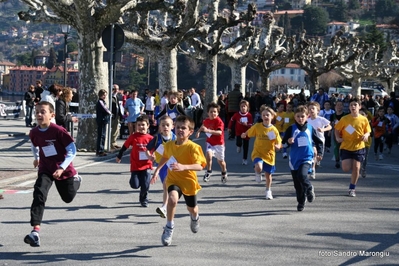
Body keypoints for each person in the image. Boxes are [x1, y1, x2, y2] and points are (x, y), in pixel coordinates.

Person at [24, 101, 81, 247]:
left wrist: (62, 167)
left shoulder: (59, 131)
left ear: (52, 115)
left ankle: (76, 179)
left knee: (68, 198)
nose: (39, 115)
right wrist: (36, 158)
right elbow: (33, 144)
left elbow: (72, 150)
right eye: (37, 112)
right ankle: (35, 231)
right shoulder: (34, 132)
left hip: (63, 170)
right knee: (39, 193)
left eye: (43, 112)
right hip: (46, 168)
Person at [150, 115, 206, 246]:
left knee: (192, 209)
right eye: (178, 127)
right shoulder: (169, 145)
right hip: (173, 180)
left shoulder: (194, 147)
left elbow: (200, 165)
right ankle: (169, 227)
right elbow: (165, 156)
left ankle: (195, 217)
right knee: (172, 199)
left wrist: (183, 167)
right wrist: (157, 170)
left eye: (183, 128)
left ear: (190, 132)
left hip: (188, 181)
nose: (180, 130)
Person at [281, 105, 323, 211]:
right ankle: (301, 201)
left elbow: (319, 141)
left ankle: (309, 188)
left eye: (302, 116)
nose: (300, 119)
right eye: (298, 116)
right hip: (294, 159)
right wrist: (288, 142)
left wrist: (320, 153)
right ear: (295, 117)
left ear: (307, 116)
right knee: (297, 184)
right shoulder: (291, 129)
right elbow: (283, 144)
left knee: (302, 175)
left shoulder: (310, 128)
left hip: (307, 157)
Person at [241, 105, 282, 200]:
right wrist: (245, 134)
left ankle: (268, 190)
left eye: (267, 115)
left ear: (272, 116)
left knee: (268, 175)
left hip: (269, 154)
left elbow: (279, 142)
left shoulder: (274, 130)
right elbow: (250, 131)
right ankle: (258, 172)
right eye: (263, 115)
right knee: (259, 167)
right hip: (258, 152)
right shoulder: (258, 126)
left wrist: (278, 146)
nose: (265, 117)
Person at [334, 98, 371, 197]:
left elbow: (368, 131)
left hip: (359, 146)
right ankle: (351, 167)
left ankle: (352, 188)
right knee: (346, 168)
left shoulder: (363, 119)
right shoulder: (344, 119)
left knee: (356, 168)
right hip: (346, 146)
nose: (353, 106)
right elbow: (337, 129)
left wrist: (366, 135)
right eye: (351, 105)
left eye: (355, 105)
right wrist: (338, 137)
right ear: (349, 107)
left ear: (359, 106)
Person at [116, 115, 154, 207]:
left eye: (143, 125)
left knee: (145, 185)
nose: (141, 127)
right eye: (139, 125)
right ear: (136, 126)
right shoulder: (133, 137)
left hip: (147, 165)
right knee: (135, 185)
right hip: (135, 165)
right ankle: (135, 181)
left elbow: (157, 150)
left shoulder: (151, 138)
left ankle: (144, 198)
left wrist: (155, 156)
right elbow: (125, 147)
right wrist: (119, 156)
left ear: (148, 126)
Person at [146, 116, 176, 218]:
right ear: (160, 127)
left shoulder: (175, 138)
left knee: (167, 186)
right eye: (163, 125)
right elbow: (147, 149)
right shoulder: (157, 138)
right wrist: (149, 156)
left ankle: (164, 207)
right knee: (166, 187)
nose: (165, 127)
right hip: (161, 166)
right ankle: (166, 206)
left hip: (173, 165)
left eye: (168, 125)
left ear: (172, 126)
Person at [196, 102, 227, 183]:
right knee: (208, 155)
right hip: (210, 142)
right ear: (208, 113)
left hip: (219, 144)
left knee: (221, 162)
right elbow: (203, 126)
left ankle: (224, 172)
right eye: (211, 112)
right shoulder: (206, 120)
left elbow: (219, 133)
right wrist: (198, 132)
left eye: (215, 112)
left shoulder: (219, 122)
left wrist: (209, 130)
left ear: (217, 113)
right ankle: (208, 171)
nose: (213, 113)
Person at [307, 101, 331, 178]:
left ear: (318, 110)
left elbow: (330, 127)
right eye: (309, 109)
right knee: (314, 153)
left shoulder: (321, 119)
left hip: (320, 140)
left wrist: (322, 130)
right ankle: (312, 169)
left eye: (313, 108)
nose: (311, 110)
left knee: (318, 158)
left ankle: (315, 165)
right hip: (311, 141)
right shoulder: (307, 120)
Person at [228, 100, 253, 165]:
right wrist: (229, 128)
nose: (243, 108)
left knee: (246, 146)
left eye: (244, 106)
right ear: (239, 107)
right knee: (239, 142)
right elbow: (231, 120)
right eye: (241, 106)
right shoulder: (237, 114)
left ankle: (244, 159)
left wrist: (246, 124)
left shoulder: (249, 115)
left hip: (247, 133)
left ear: (247, 107)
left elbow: (251, 125)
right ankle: (238, 146)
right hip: (239, 132)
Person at [330, 101, 347, 168]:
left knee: (344, 147)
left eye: (340, 105)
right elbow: (331, 124)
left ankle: (344, 159)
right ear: (335, 107)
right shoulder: (332, 116)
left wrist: (352, 132)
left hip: (345, 133)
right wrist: (329, 131)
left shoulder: (346, 115)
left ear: (343, 106)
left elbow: (349, 125)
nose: (339, 107)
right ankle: (337, 160)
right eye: (338, 105)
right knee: (336, 147)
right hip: (336, 133)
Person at [96, 89, 112, 156]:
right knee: (101, 135)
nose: (105, 96)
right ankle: (100, 150)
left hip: (103, 120)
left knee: (103, 135)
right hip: (102, 120)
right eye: (104, 95)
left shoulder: (102, 101)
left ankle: (101, 150)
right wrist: (110, 113)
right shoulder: (100, 102)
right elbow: (106, 110)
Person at [359, 108, 372, 178]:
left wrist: (366, 134)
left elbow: (371, 133)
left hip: (366, 143)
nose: (361, 116)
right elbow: (349, 130)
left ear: (366, 115)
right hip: (356, 143)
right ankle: (357, 168)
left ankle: (363, 169)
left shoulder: (368, 123)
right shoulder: (354, 122)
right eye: (359, 114)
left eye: (363, 114)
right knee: (358, 157)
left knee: (365, 157)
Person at [111, 84, 123, 149]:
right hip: (112, 116)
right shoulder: (110, 97)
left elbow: (118, 106)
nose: (116, 90)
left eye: (117, 89)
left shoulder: (117, 97)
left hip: (117, 115)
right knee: (112, 130)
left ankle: (114, 142)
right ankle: (111, 143)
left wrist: (120, 115)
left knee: (116, 130)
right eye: (114, 89)